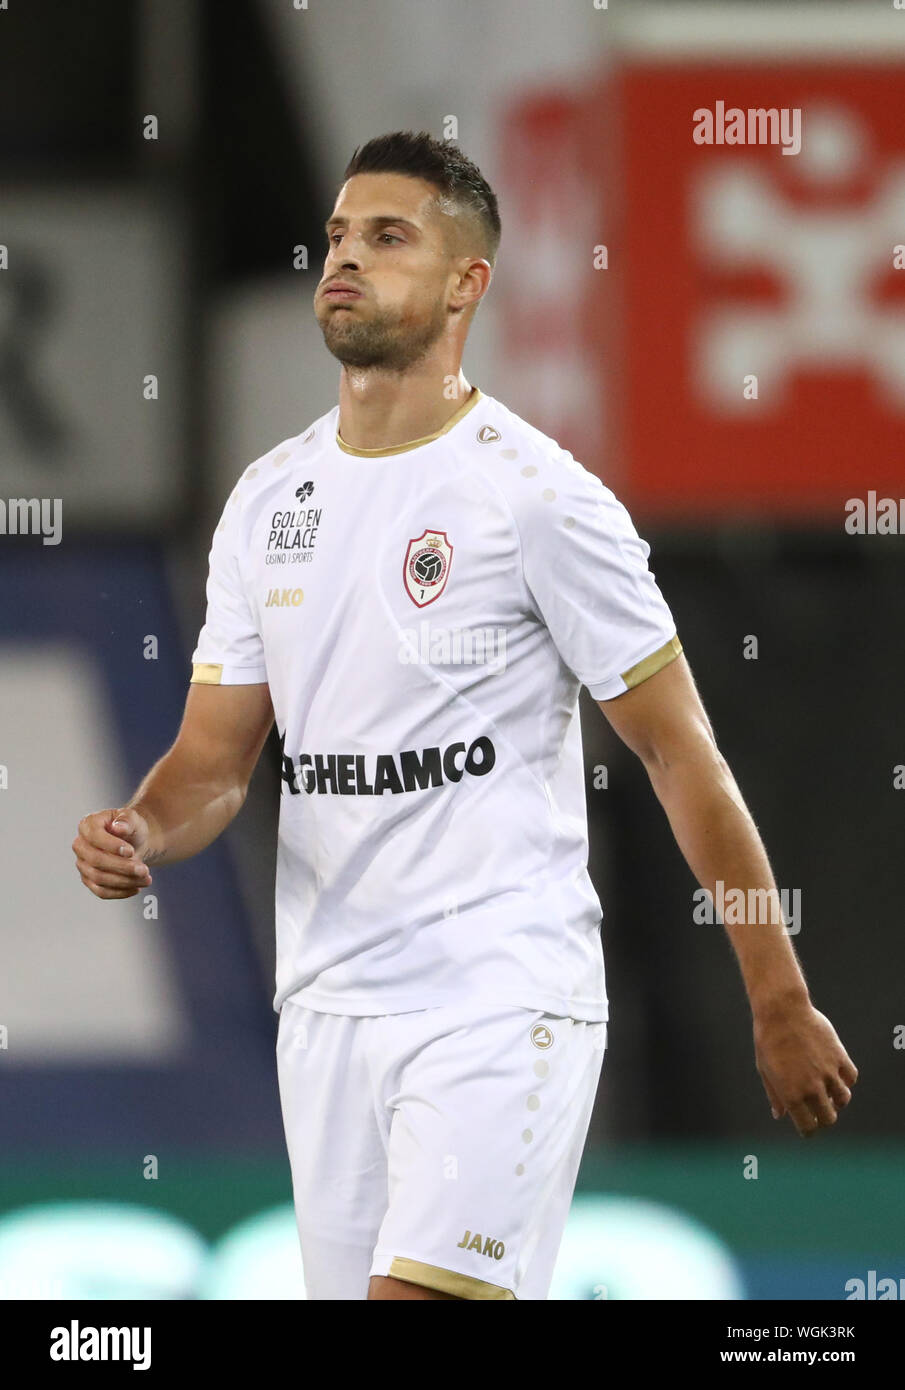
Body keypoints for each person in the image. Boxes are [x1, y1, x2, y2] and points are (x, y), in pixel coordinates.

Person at [73, 130, 857, 1301]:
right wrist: (139, 827)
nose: (343, 258)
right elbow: (215, 764)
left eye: (387, 237)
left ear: (463, 284)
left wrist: (776, 993)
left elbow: (675, 745)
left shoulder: (536, 496)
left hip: (498, 996)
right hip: (327, 1008)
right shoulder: (267, 500)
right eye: (338, 235)